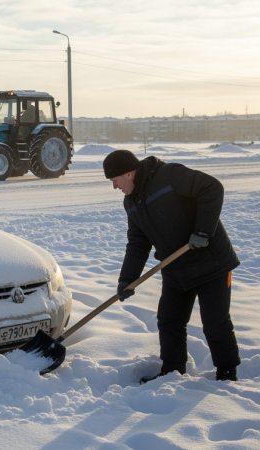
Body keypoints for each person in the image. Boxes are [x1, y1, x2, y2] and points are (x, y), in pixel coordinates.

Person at [103, 149, 241, 383]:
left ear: (128, 173)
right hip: (176, 268)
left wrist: (203, 231)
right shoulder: (131, 203)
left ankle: (227, 375)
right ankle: (172, 372)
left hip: (211, 263)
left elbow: (212, 188)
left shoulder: (169, 175)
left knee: (215, 323)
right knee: (169, 320)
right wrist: (127, 279)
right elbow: (138, 243)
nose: (114, 187)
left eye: (114, 181)